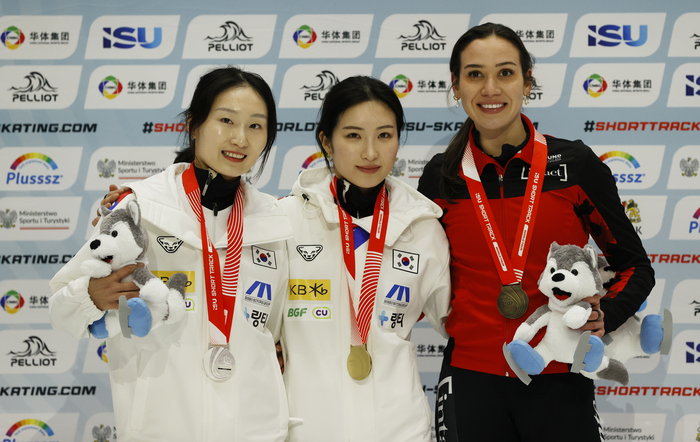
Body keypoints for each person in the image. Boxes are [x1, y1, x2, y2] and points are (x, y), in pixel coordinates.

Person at [417, 23, 654, 442]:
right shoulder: (441, 176)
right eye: (475, 74)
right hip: (470, 378)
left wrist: (606, 315)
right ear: (456, 86)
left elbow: (635, 266)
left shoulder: (574, 165)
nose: (490, 88)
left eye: (505, 73)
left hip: (557, 376)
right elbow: (415, 277)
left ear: (528, 83)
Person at [49, 66, 292, 442]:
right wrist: (90, 297)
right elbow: (60, 311)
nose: (240, 138)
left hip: (255, 429)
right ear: (194, 125)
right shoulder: (139, 208)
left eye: (256, 126)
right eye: (226, 120)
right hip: (161, 428)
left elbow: (273, 329)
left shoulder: (274, 221)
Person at [278, 76, 451, 441]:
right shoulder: (285, 222)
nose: (371, 152)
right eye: (353, 136)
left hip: (399, 427)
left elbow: (458, 324)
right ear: (326, 141)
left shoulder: (423, 228)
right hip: (308, 427)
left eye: (384, 135)